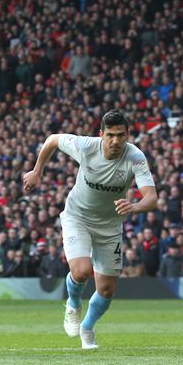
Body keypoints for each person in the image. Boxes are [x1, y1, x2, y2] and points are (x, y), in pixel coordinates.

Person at [22, 109, 158, 349]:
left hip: (110, 226)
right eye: (110, 135)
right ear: (101, 134)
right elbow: (52, 139)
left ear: (128, 134)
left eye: (120, 135)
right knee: (83, 271)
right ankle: (73, 304)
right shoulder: (85, 146)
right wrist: (37, 170)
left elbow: (152, 198)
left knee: (106, 290)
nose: (115, 141)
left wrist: (134, 206)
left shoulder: (135, 157)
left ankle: (87, 327)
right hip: (78, 218)